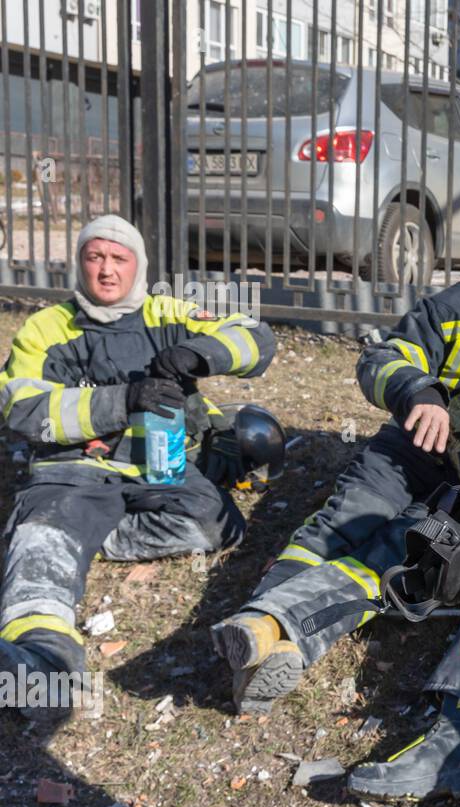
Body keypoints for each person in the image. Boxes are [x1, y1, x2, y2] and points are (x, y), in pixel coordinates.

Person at [211, 219, 460, 716]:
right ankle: (260, 629)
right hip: (415, 445)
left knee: (408, 547)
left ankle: (279, 634)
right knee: (343, 522)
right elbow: (385, 357)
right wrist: (420, 393)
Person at [0, 215, 275, 713]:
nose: (106, 271)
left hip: (158, 464)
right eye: (94, 257)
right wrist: (122, 399)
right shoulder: (46, 328)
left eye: (118, 259)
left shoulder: (167, 311)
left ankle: (85, 537)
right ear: (80, 264)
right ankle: (41, 662)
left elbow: (255, 336)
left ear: (138, 266)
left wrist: (199, 352)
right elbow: (22, 410)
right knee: (42, 540)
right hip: (75, 471)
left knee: (217, 527)